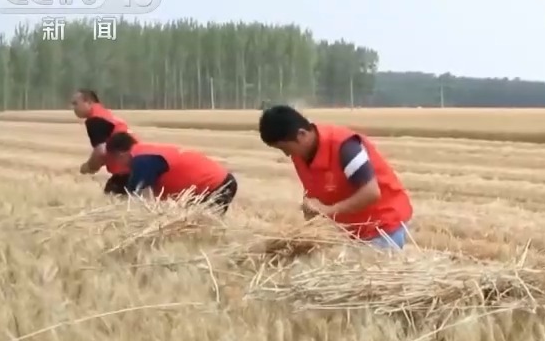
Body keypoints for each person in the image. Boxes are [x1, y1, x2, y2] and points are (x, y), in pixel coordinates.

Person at [257, 105, 413, 249]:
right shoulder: (300, 154)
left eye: (285, 148)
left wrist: (328, 211)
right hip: (353, 230)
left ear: (301, 134)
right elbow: (315, 195)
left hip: (383, 226)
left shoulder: (345, 147)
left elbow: (371, 192)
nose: (286, 154)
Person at [104, 132, 238, 214]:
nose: (117, 166)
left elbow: (137, 200)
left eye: (114, 159)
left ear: (120, 154)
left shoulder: (142, 160)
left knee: (202, 231)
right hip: (218, 183)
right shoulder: (146, 153)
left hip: (216, 187)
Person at [70, 89, 137, 195]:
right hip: (138, 165)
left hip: (127, 171)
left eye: (75, 104)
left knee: (112, 200)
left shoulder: (95, 120)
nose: (73, 108)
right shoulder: (107, 115)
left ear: (88, 102)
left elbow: (101, 152)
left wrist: (89, 167)